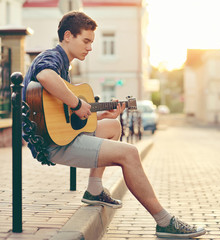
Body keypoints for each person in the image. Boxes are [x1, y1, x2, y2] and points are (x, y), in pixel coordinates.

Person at [22, 11, 206, 239]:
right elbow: (45, 77)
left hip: (56, 135)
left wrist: (99, 115)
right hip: (51, 144)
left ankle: (94, 190)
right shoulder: (52, 57)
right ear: (68, 36)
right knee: (129, 153)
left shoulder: (64, 67)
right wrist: (78, 102)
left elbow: (64, 117)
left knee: (113, 126)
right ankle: (164, 221)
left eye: (92, 42)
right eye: (86, 41)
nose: (90, 48)